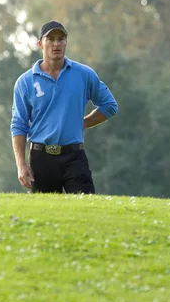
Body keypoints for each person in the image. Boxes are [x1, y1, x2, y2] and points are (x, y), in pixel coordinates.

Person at [11, 20, 118, 193]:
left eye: (61, 39)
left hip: (74, 156)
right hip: (41, 158)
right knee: (45, 215)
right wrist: (21, 164)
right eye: (50, 39)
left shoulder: (84, 74)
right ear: (40, 44)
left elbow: (109, 106)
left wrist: (81, 123)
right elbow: (18, 124)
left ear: (66, 43)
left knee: (86, 209)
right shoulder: (25, 82)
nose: (56, 44)